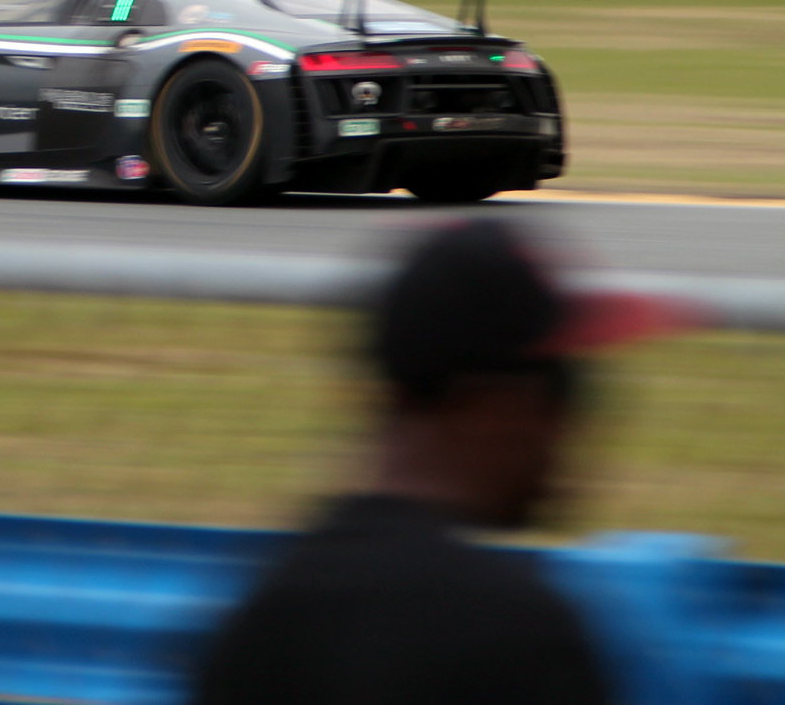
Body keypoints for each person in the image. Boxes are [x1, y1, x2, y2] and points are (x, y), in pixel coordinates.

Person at [188, 217, 692, 705]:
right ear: (493, 405)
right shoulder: (517, 635)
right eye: (563, 390)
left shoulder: (255, 622)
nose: (574, 429)